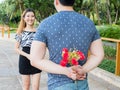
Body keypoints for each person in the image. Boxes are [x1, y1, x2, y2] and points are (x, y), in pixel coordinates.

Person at [30, 0, 104, 90]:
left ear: (56, 1)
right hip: (82, 84)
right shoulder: (89, 23)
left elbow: (35, 60)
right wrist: (83, 69)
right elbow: (98, 54)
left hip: (58, 84)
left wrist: (67, 71)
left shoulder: (46, 24)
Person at [15, 8, 42, 90]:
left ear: (35, 18)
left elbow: (42, 45)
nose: (30, 18)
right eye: (28, 16)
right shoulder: (20, 32)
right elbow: (16, 48)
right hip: (24, 59)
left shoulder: (39, 32)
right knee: (26, 86)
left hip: (37, 60)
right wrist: (28, 56)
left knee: (35, 87)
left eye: (32, 16)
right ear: (24, 18)